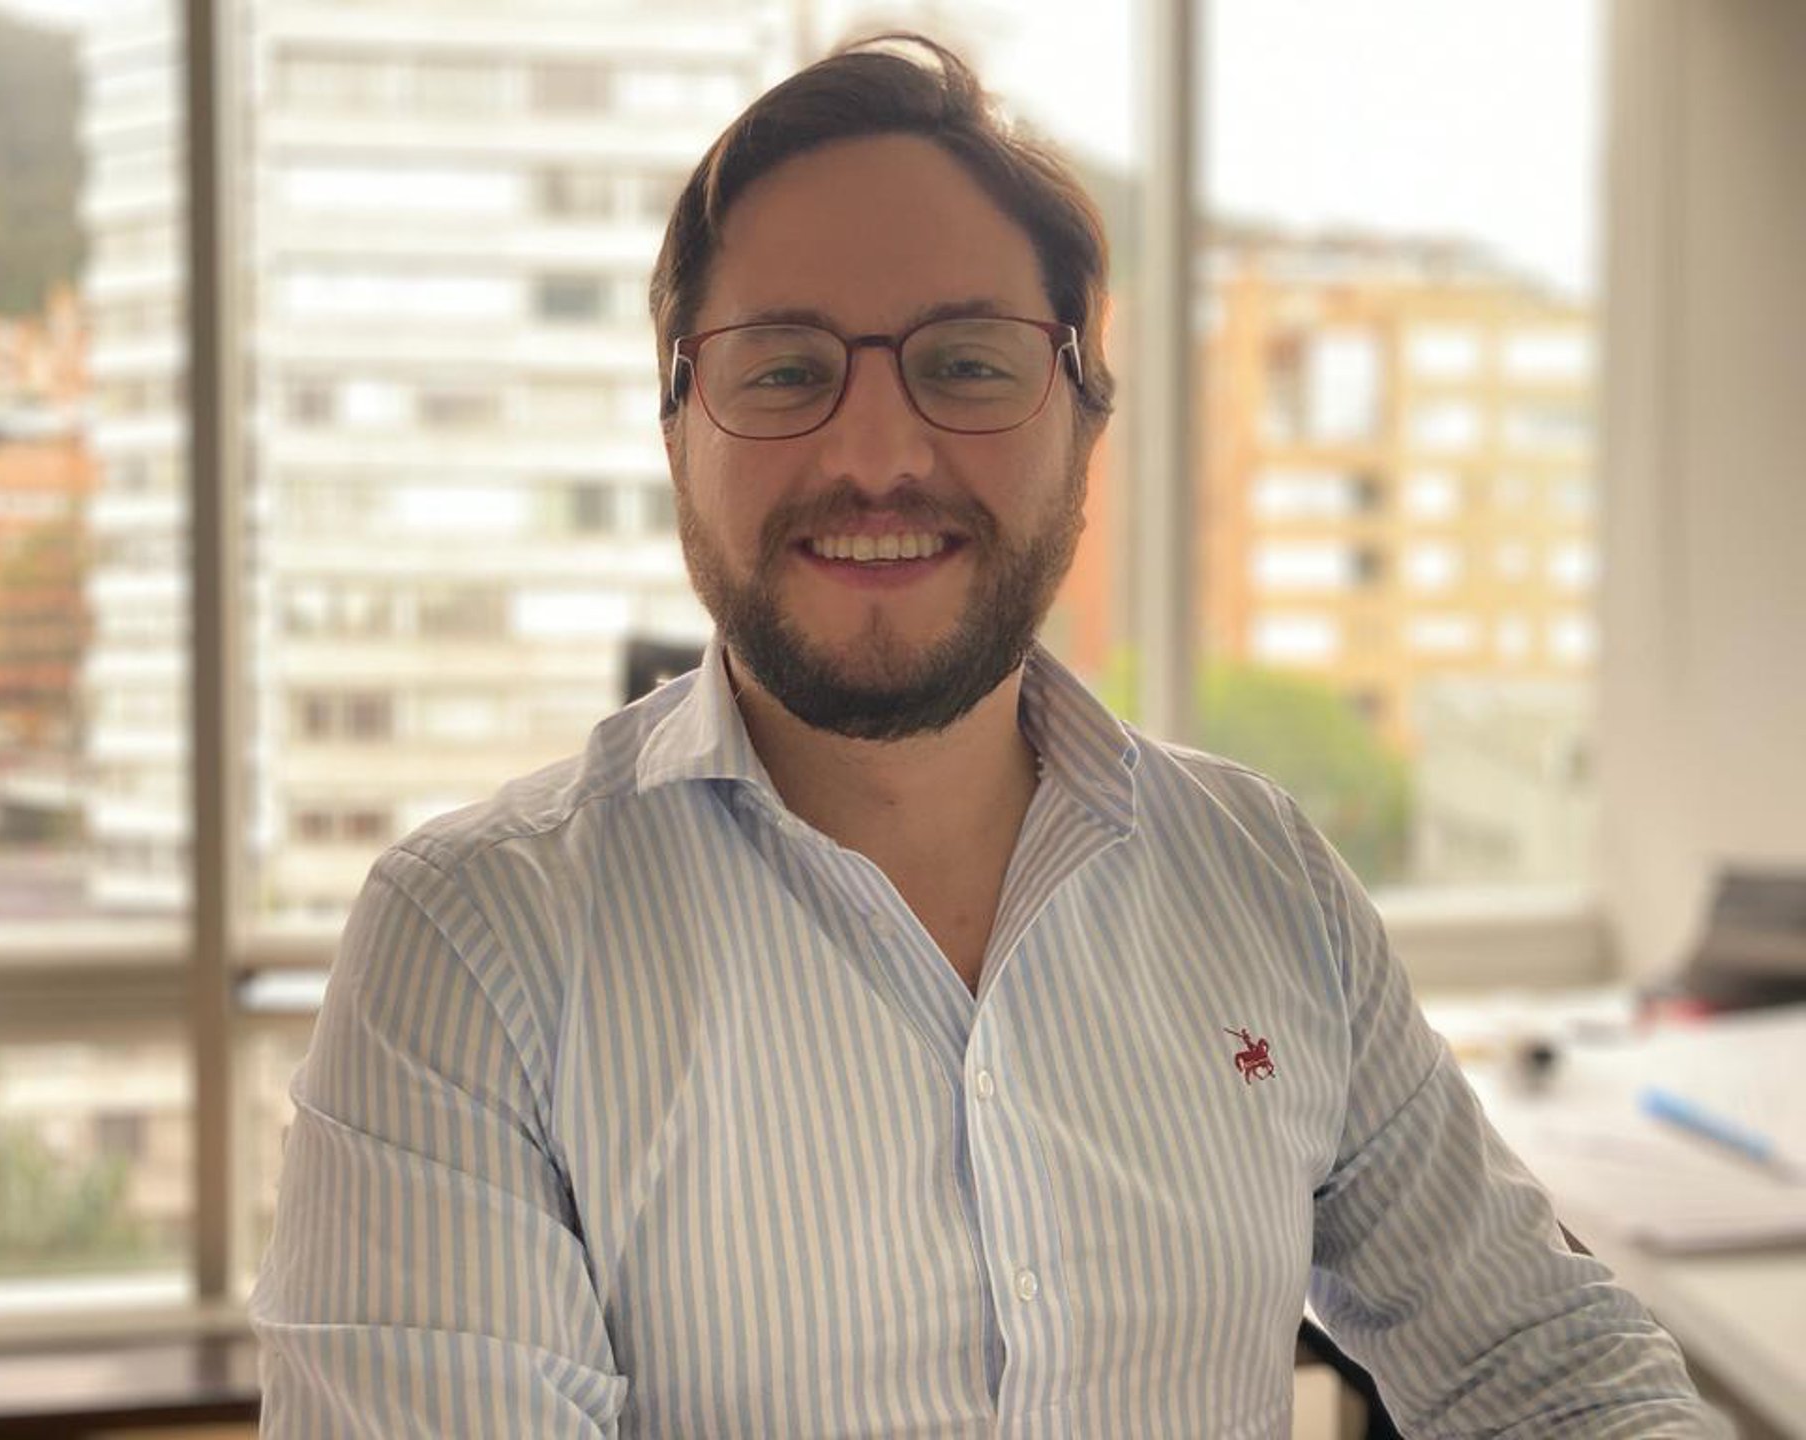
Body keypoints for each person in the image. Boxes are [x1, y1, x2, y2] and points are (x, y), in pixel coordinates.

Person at [252, 34, 1722, 1438]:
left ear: (1083, 423)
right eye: (782, 369)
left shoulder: (1262, 879)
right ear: (675, 430)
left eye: (966, 365)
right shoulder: (473, 951)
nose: (877, 456)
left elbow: (1547, 1364)